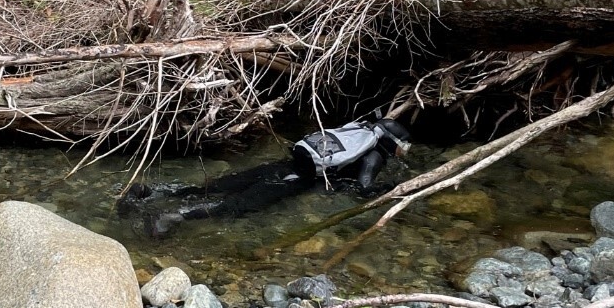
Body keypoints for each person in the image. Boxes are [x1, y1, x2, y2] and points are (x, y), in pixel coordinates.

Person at [120, 114, 411, 237]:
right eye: (403, 147)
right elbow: (364, 188)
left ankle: (154, 193)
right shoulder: (372, 155)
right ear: (391, 143)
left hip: (282, 165)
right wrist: (393, 188)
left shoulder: (355, 131)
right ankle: (171, 218)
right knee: (236, 205)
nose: (402, 151)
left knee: (216, 187)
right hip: (296, 179)